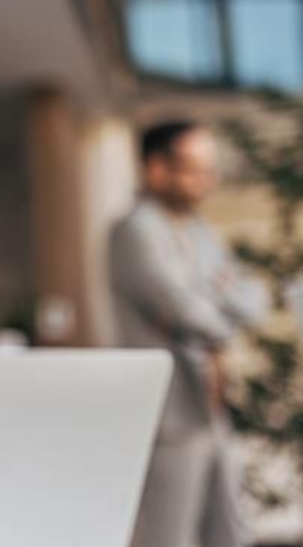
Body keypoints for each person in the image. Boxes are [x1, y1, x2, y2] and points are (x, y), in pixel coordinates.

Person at [110, 120, 268, 547]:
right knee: (169, 536)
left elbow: (253, 299)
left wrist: (213, 304)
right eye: (195, 169)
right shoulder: (135, 231)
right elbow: (184, 310)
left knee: (230, 532)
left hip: (212, 406)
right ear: (156, 169)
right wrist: (216, 301)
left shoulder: (200, 232)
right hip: (173, 414)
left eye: (209, 170)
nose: (206, 182)